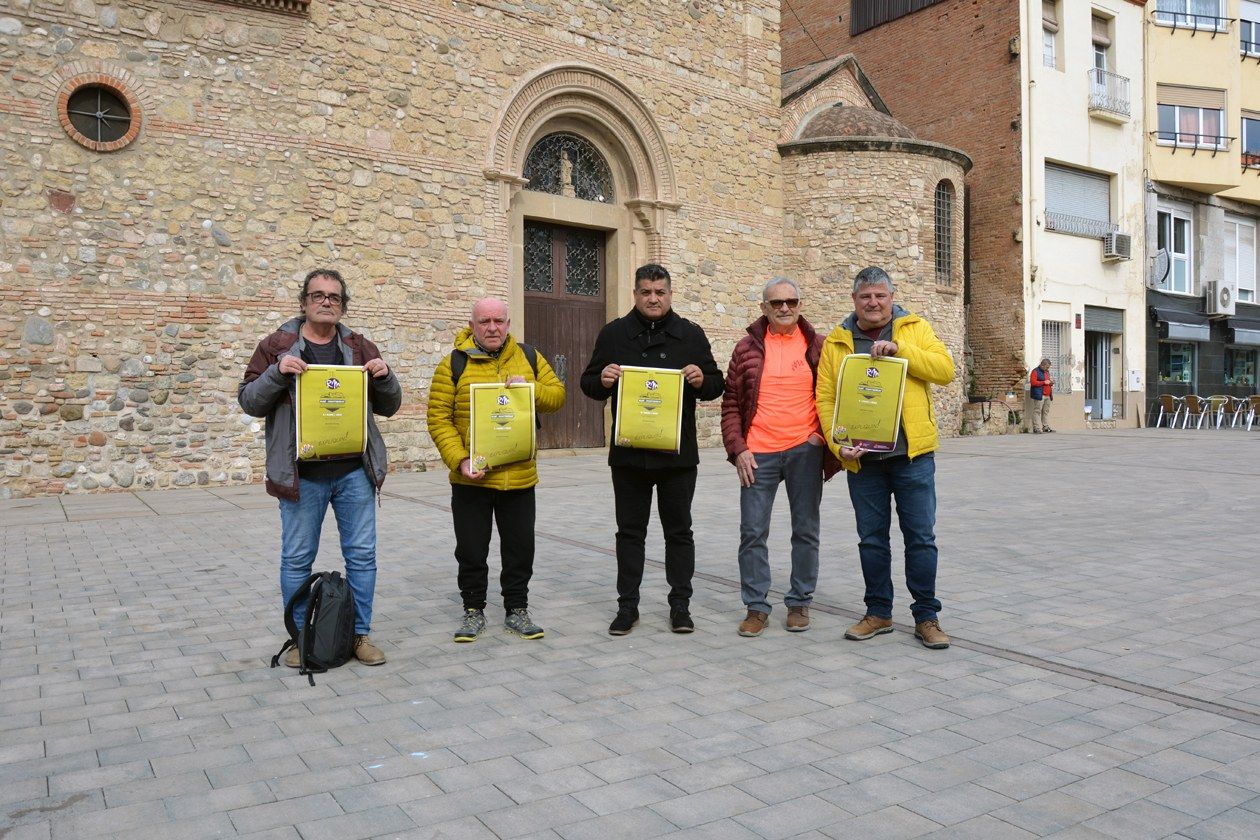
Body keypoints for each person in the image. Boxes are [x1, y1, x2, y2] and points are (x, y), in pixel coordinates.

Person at [238, 268, 402, 667]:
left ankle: (359, 635)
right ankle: (299, 640)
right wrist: (278, 373)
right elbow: (249, 401)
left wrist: (385, 377)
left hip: (353, 474)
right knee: (296, 559)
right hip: (302, 476)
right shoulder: (276, 346)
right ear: (304, 302)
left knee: (361, 557)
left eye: (334, 297)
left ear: (343, 305)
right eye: (318, 295)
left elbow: (391, 405)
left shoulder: (359, 346)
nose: (326, 302)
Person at [815, 267, 956, 650]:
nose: (873, 303)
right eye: (866, 297)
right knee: (872, 540)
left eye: (880, 296)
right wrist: (836, 443)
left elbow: (945, 371)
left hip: (912, 457)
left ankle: (926, 616)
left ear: (892, 298)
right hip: (863, 462)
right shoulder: (838, 342)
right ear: (854, 301)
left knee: (921, 539)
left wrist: (903, 352)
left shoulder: (915, 329)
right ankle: (878, 612)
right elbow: (826, 399)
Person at [580, 264, 724, 636]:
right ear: (636, 294)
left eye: (660, 292)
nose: (653, 298)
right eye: (646, 292)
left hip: (677, 456)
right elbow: (589, 383)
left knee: (679, 532)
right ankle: (628, 607)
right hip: (630, 455)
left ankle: (680, 606)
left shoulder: (690, 334)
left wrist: (700, 378)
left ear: (670, 294)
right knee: (630, 532)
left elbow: (715, 383)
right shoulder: (614, 333)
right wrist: (603, 379)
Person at [426, 298, 565, 642]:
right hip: (471, 478)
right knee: (471, 549)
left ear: (508, 323)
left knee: (520, 549)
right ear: (472, 324)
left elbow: (557, 395)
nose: (492, 327)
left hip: (519, 477)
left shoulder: (529, 356)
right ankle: (473, 610)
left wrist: (529, 389)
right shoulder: (452, 365)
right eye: (485, 321)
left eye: (499, 321)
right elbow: (438, 418)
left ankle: (517, 609)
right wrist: (459, 459)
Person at [721, 277, 840, 637]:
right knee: (752, 532)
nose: (784, 308)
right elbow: (730, 403)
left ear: (800, 304)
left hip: (805, 450)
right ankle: (756, 607)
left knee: (805, 531)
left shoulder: (819, 346)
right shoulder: (746, 349)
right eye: (776, 303)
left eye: (790, 301)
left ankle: (800, 601)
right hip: (758, 453)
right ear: (764, 309)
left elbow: (838, 395)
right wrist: (738, 448)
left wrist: (821, 438)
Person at [1029, 357, 1054, 433]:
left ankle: (1045, 427)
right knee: (1037, 411)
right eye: (1047, 367)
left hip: (1048, 395)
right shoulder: (1035, 371)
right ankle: (1036, 428)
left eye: (1048, 367)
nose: (1047, 369)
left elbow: (1047, 381)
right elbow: (1033, 383)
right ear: (1042, 365)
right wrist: (1043, 382)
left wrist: (1051, 382)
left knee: (1045, 411)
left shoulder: (1046, 372)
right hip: (1040, 395)